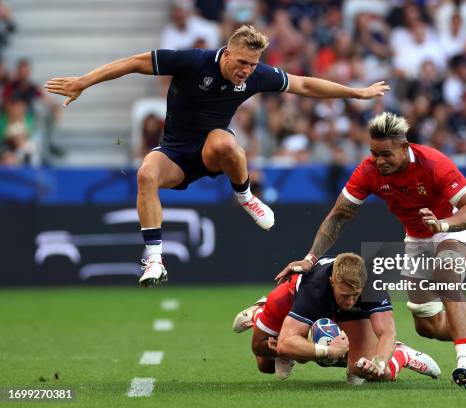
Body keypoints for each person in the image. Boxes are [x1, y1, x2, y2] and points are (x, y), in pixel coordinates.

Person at [44, 25, 389, 287]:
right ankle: (154, 260)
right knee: (146, 174)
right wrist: (84, 82)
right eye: (242, 62)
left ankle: (245, 196)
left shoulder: (256, 76)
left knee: (224, 142)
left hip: (211, 151)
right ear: (226, 54)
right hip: (176, 154)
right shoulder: (193, 61)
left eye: (253, 64)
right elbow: (135, 62)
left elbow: (304, 85)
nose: (247, 70)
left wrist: (355, 93)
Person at [276, 112, 466, 389]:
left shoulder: (434, 163)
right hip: (417, 238)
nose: (379, 161)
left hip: (454, 228)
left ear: (404, 147)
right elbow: (339, 215)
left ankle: (465, 365)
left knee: (446, 274)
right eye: (374, 153)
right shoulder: (369, 170)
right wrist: (311, 258)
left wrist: (443, 223)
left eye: (385, 154)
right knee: (427, 325)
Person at [233, 253, 441, 383]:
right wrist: (329, 351)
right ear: (333, 281)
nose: (350, 300)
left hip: (345, 315)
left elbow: (386, 331)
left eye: (355, 295)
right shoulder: (314, 289)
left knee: (365, 372)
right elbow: (286, 343)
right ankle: (259, 311)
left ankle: (402, 354)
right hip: (295, 298)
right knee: (265, 360)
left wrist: (378, 362)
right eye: (345, 295)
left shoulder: (372, 285)